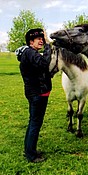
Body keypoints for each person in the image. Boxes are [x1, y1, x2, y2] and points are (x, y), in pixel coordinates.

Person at [15, 28, 52, 163]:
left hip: (36, 93)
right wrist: (48, 45)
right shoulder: (30, 53)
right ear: (31, 42)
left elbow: (40, 70)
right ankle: (31, 154)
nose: (41, 41)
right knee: (35, 123)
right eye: (39, 39)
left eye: (42, 39)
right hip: (37, 94)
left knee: (34, 122)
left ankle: (30, 150)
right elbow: (44, 64)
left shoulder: (30, 53)